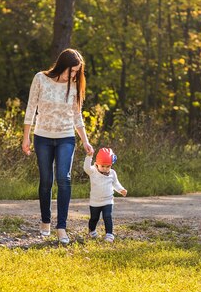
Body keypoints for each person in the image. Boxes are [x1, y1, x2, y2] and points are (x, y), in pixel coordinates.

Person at [22, 49, 94, 244]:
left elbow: (77, 116)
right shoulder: (41, 79)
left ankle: (61, 227)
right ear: (62, 65)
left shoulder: (75, 85)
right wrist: (26, 137)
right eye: (71, 71)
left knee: (64, 178)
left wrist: (85, 140)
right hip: (42, 137)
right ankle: (45, 220)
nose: (73, 75)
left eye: (76, 72)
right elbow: (31, 107)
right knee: (46, 181)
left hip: (66, 137)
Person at [83, 147, 127, 242]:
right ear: (97, 163)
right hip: (95, 202)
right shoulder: (93, 171)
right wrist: (89, 157)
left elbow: (116, 183)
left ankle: (109, 234)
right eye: (102, 166)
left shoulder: (112, 173)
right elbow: (86, 167)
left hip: (108, 200)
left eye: (108, 166)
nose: (105, 169)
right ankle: (92, 231)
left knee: (107, 216)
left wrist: (121, 189)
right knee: (94, 218)